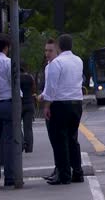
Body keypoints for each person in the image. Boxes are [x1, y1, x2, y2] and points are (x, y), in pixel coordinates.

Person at [42, 34, 84, 185]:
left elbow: (52, 87)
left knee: (60, 140)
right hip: (76, 103)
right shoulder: (78, 61)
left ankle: (64, 175)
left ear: (59, 47)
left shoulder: (56, 63)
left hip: (60, 104)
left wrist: (46, 105)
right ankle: (78, 172)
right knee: (73, 139)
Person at [0, 33, 16, 187]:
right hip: (7, 102)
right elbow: (14, 84)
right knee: (9, 140)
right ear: (6, 47)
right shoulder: (7, 62)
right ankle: (10, 176)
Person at [39, 39, 59, 181]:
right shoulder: (48, 66)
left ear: (57, 51)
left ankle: (60, 170)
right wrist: (42, 95)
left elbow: (54, 89)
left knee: (57, 140)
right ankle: (57, 168)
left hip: (55, 105)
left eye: (50, 50)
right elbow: (48, 88)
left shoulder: (56, 65)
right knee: (54, 141)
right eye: (46, 50)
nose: (47, 53)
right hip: (50, 102)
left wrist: (45, 101)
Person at [20, 63, 36, 153]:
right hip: (29, 104)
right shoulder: (30, 77)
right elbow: (34, 89)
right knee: (28, 128)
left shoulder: (17, 78)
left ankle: (21, 143)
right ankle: (29, 148)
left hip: (19, 104)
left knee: (17, 126)